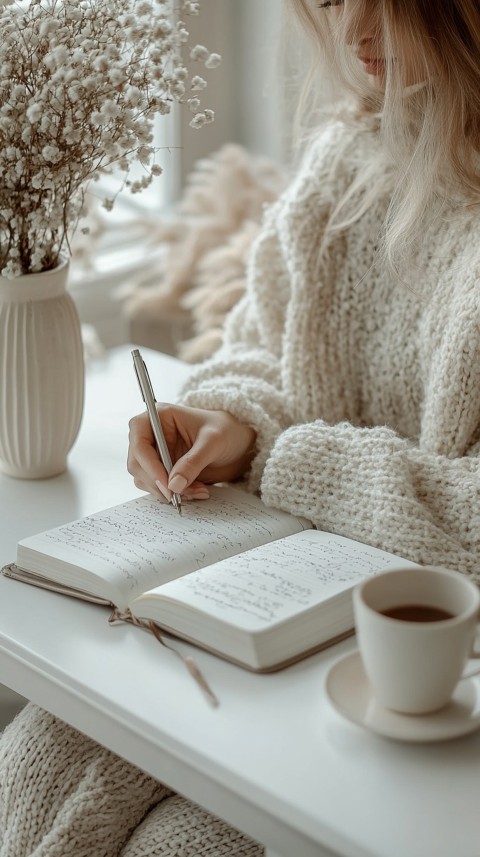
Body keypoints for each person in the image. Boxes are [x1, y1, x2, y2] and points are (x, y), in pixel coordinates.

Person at [1, 1, 479, 854]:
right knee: (33, 763)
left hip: (427, 679)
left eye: (387, 1)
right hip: (288, 607)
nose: (354, 34)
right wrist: (230, 416)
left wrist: (289, 460)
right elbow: (261, 342)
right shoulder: (349, 153)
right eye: (330, 2)